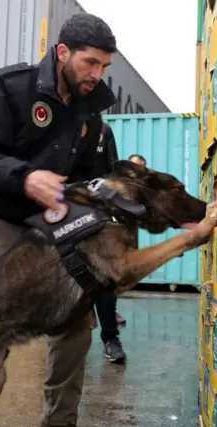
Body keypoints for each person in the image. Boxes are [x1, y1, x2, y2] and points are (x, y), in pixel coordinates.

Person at [0, 13, 117, 427]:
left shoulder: (90, 112)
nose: (97, 75)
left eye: (104, 66)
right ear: (63, 52)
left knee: (76, 325)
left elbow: (81, 177)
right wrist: (26, 177)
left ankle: (60, 421)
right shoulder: (8, 88)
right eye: (90, 63)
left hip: (52, 230)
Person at [89, 122, 126, 363]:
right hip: (63, 209)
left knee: (106, 278)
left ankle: (111, 339)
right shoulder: (58, 124)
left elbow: (112, 172)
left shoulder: (102, 130)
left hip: (98, 210)